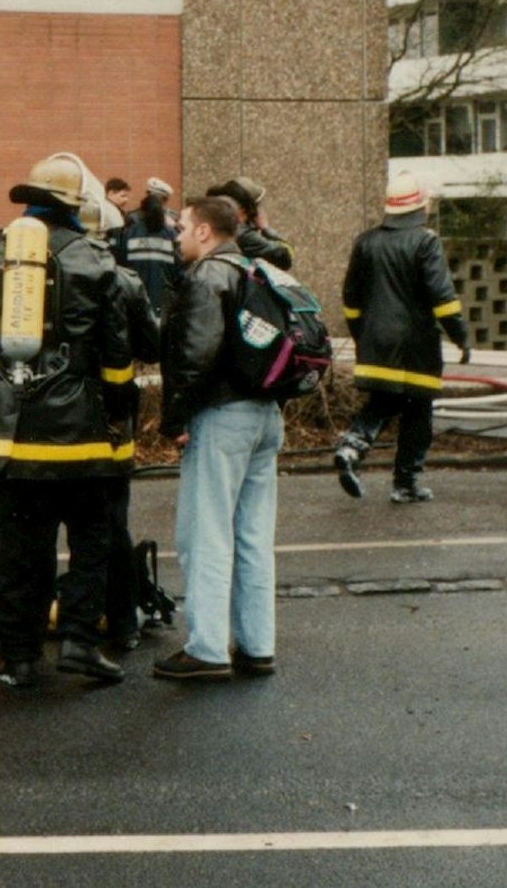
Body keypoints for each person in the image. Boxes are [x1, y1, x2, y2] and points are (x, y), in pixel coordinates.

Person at [0, 154, 136, 688]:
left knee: (19, 551)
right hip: (83, 438)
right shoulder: (96, 259)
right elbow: (117, 354)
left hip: (11, 437)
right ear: (76, 207)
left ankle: (20, 656)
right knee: (91, 543)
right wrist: (118, 414)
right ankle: (79, 641)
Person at [153, 195, 282, 681]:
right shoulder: (255, 270)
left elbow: (196, 353)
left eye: (183, 226)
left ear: (205, 231)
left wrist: (175, 418)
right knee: (252, 535)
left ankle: (207, 649)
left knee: (205, 533)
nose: (177, 235)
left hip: (222, 415)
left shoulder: (208, 276)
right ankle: (256, 645)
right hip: (265, 416)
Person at [59, 194, 161, 655]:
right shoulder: (126, 282)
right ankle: (122, 623)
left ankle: (55, 622)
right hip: (111, 427)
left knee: (49, 530)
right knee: (109, 526)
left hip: (52, 424)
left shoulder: (44, 275)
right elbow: (153, 346)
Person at [333, 171, 470, 504]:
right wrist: (461, 337)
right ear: (421, 206)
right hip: (416, 346)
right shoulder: (426, 241)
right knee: (418, 411)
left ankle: (352, 446)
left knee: (381, 401)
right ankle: (405, 483)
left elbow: (351, 298)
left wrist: (362, 335)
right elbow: (443, 298)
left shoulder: (365, 241)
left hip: (375, 342)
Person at [117, 177, 180, 310]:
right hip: (163, 300)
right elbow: (178, 267)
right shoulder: (171, 232)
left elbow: (121, 264)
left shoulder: (130, 231)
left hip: (135, 298)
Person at [206, 176, 294, 271]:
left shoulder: (210, 221)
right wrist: (265, 228)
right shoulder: (244, 234)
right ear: (245, 212)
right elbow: (285, 257)